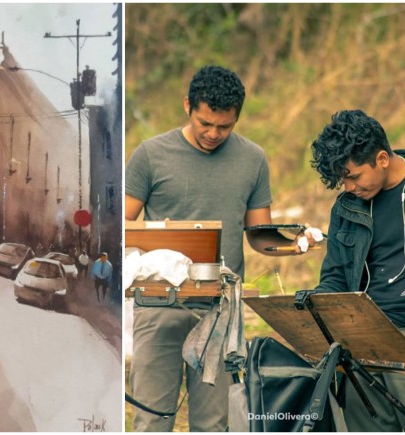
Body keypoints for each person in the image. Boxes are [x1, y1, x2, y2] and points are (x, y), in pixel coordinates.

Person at [124, 65, 275, 432]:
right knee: (152, 420)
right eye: (205, 122)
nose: (213, 134)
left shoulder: (252, 159)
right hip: (159, 304)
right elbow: (124, 228)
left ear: (237, 116)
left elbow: (260, 234)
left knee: (213, 424)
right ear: (187, 105)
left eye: (225, 126)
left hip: (220, 311)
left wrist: (297, 243)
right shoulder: (150, 155)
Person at [308, 109, 405, 431]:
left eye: (354, 177)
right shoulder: (346, 207)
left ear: (382, 158)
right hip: (362, 338)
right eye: (342, 180)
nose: (348, 187)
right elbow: (334, 277)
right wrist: (316, 309)